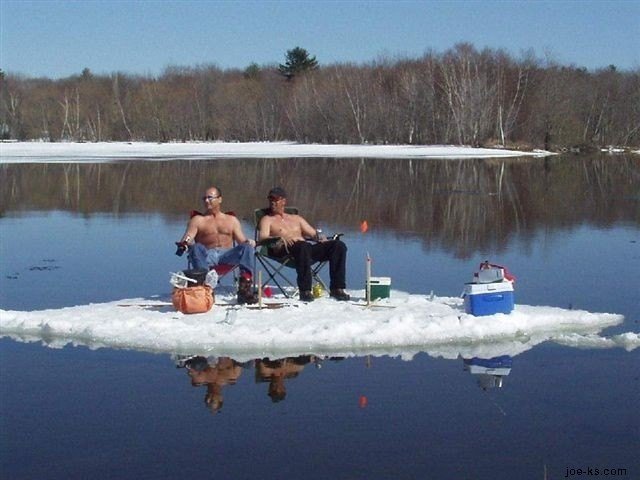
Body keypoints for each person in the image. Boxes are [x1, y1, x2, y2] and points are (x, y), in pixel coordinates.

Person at [257, 186, 350, 302]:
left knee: (338, 246)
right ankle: (305, 290)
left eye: (275, 199)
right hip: (285, 251)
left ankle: (337, 288)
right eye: (270, 199)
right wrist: (280, 237)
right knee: (303, 246)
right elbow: (262, 238)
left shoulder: (296, 218)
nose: (272, 202)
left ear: (283, 201)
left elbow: (312, 234)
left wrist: (320, 237)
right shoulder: (267, 219)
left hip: (305, 250)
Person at [175, 186, 257, 304]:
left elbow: (242, 241)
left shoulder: (231, 220)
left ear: (219, 199)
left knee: (247, 248)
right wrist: (184, 244)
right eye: (204, 198)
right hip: (206, 256)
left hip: (227, 256)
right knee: (195, 247)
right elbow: (188, 237)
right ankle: (205, 288)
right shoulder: (198, 220)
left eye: (210, 197)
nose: (206, 201)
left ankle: (244, 289)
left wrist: (249, 243)